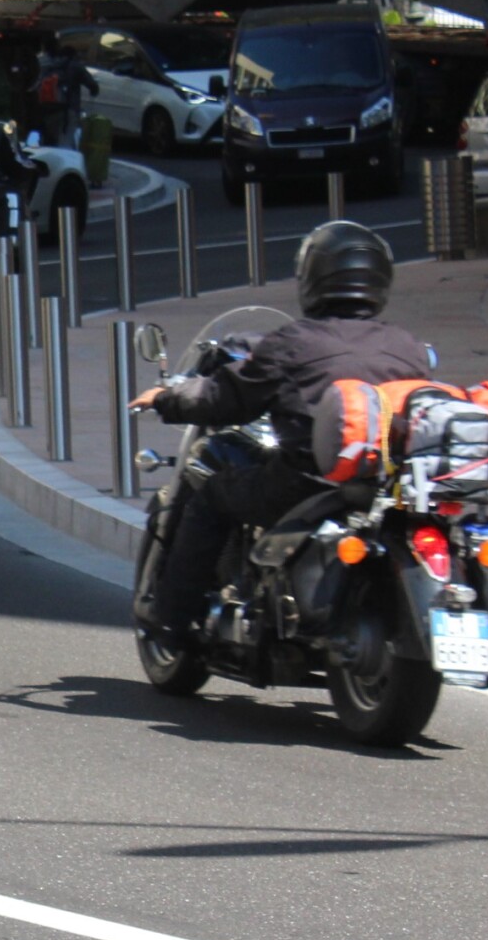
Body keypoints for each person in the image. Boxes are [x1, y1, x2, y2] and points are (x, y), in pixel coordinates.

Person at [131, 221, 434, 638]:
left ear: (312, 277)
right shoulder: (407, 345)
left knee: (213, 497)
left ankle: (172, 619)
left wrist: (167, 398)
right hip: (383, 483)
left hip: (306, 482)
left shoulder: (296, 342)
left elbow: (226, 397)